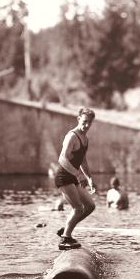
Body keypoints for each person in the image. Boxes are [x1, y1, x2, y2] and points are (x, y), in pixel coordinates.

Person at [54, 107, 97, 250]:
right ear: (78, 119)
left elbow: (83, 161)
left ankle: (67, 228)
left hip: (73, 177)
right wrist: (78, 175)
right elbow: (62, 158)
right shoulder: (72, 136)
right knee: (78, 208)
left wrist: (89, 178)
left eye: (89, 123)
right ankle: (65, 240)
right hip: (64, 176)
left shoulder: (85, 139)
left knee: (90, 206)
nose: (87, 126)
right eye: (84, 122)